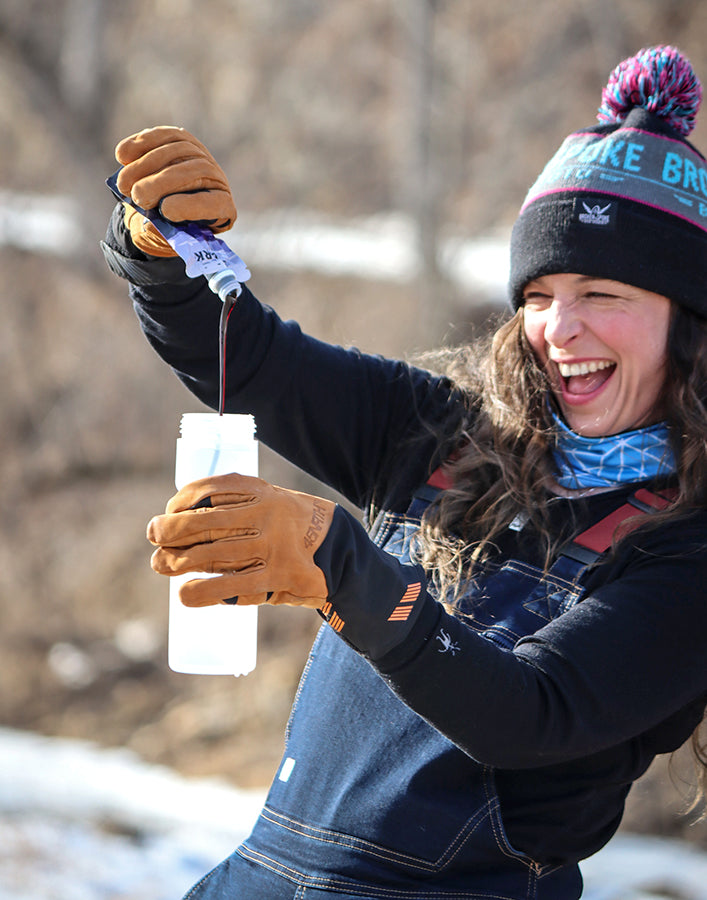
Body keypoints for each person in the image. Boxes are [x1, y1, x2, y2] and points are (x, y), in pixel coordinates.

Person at [102, 45, 707, 900]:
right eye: (538, 295)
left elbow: (526, 713)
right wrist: (163, 253)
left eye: (604, 294)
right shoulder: (443, 434)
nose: (559, 328)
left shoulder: (686, 548)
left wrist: (341, 569)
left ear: (689, 324)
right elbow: (251, 361)